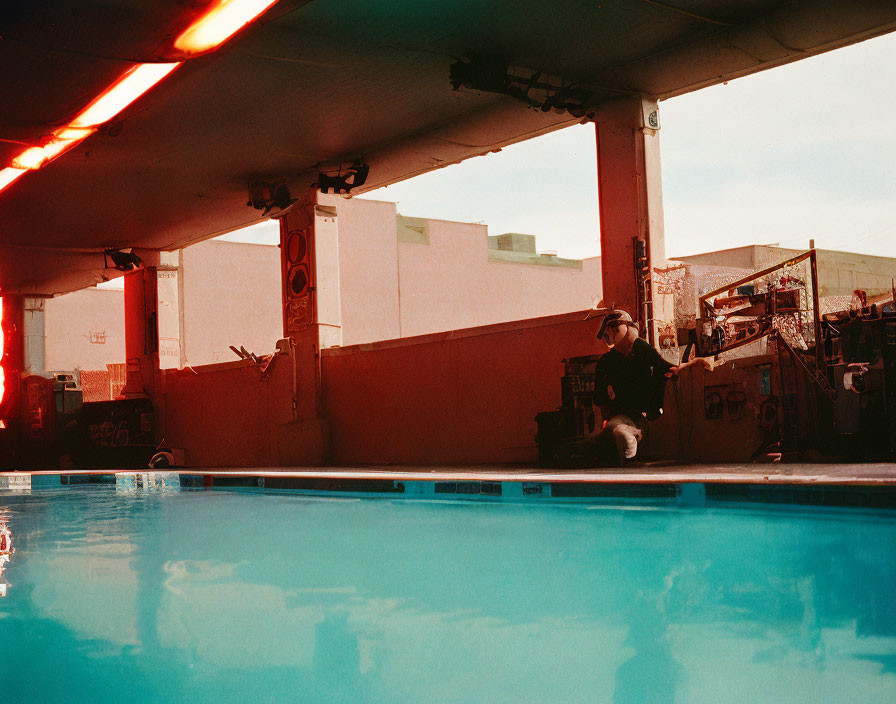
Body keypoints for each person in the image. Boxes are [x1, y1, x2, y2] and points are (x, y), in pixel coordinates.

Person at [593, 310, 712, 465]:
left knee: (621, 433)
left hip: (638, 420)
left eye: (615, 328)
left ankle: (630, 459)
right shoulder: (606, 361)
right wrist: (609, 394)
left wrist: (694, 363)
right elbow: (597, 397)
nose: (611, 333)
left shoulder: (642, 349)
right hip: (619, 418)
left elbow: (667, 368)